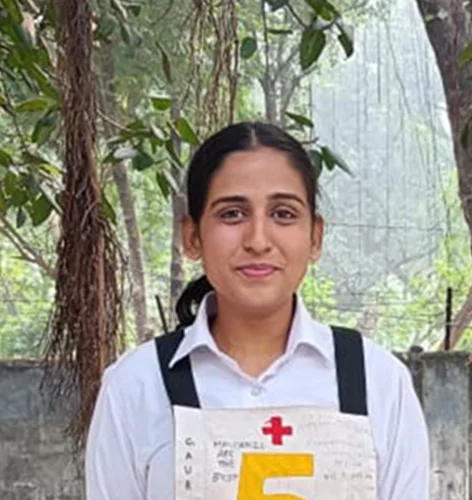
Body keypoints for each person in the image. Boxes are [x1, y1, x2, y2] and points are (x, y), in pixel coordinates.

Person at [85, 122, 430, 500]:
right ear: (192, 236)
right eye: (232, 214)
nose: (258, 240)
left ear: (315, 237)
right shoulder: (135, 386)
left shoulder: (379, 382)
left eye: (283, 214)